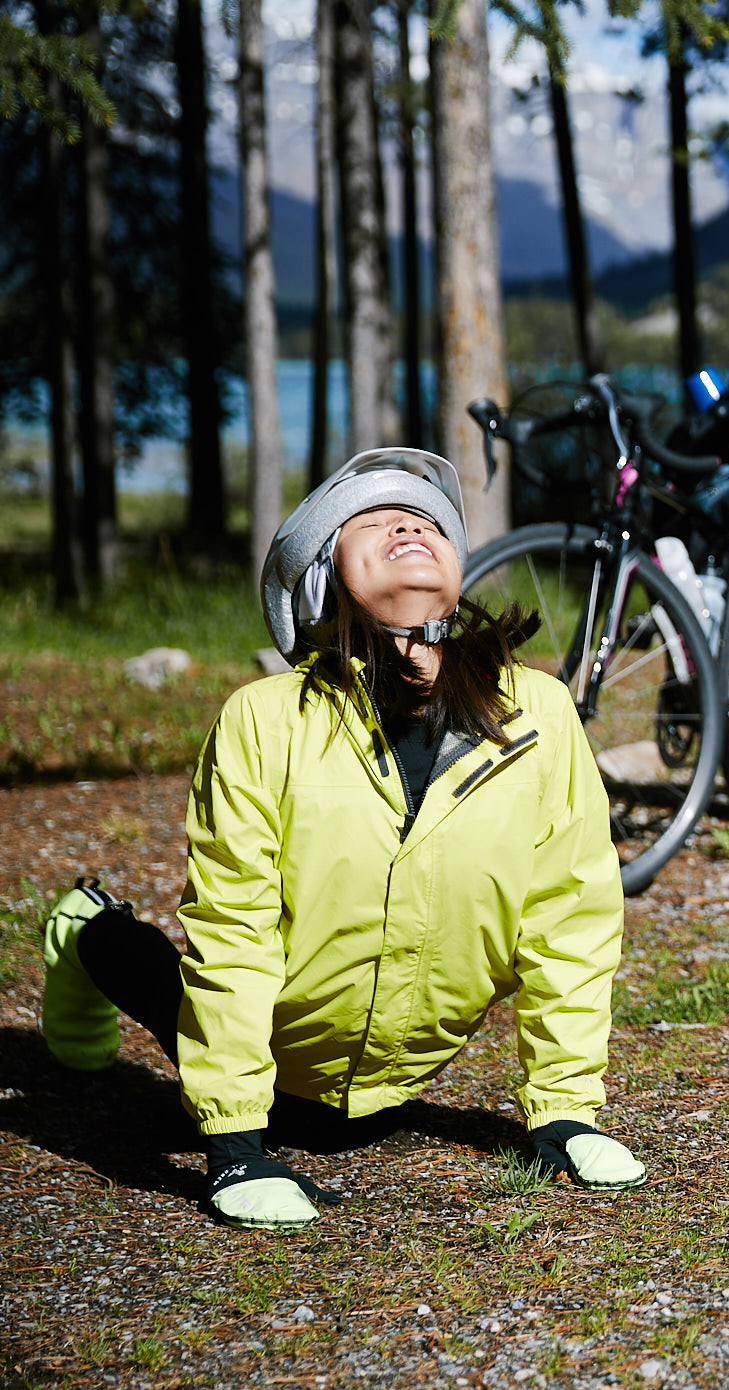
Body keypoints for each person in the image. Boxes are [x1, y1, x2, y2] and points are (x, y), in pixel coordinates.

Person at [39, 449, 648, 1228]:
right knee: (196, 1012)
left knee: (346, 1128)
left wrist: (565, 1112)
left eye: (426, 518)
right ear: (321, 580)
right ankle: (91, 929)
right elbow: (235, 934)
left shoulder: (539, 714)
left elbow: (571, 916)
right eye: (371, 519)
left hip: (401, 1067)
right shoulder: (264, 720)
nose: (407, 523)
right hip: (283, 1038)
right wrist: (232, 1140)